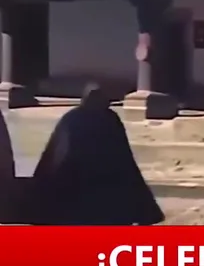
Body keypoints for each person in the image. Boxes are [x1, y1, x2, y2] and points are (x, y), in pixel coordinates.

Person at [26, 82, 164, 226]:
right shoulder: (91, 118)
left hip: (89, 181)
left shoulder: (81, 118)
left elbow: (57, 154)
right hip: (94, 182)